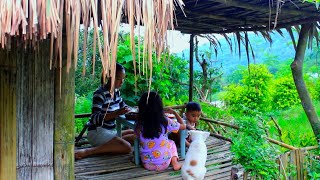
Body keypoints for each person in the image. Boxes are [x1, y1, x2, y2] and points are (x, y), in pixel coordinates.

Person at [75, 63, 135, 160]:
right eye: (119, 79)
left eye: (123, 79)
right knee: (127, 147)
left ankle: (113, 143)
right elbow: (95, 118)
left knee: (134, 133)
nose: (122, 82)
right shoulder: (100, 94)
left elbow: (125, 107)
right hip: (97, 132)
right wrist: (116, 113)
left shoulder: (116, 92)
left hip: (109, 132)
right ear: (110, 77)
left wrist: (136, 110)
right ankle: (88, 152)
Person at [135, 91, 186, 171]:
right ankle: (175, 163)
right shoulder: (165, 121)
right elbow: (183, 126)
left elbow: (137, 136)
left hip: (147, 164)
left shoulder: (140, 123)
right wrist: (175, 113)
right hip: (164, 164)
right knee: (171, 142)